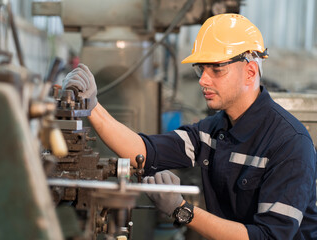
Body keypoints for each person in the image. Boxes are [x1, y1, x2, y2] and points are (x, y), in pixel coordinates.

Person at [63, 14, 317, 240]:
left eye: (216, 69)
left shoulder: (289, 143)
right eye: (201, 69)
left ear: (250, 72)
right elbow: (145, 152)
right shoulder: (213, 131)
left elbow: (269, 236)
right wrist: (93, 108)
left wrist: (182, 210)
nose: (203, 80)